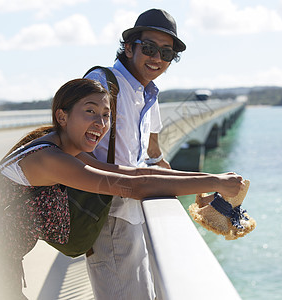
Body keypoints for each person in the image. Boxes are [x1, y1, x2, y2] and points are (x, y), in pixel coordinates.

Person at [0, 78, 244, 299]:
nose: (100, 122)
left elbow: (134, 172)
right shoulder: (51, 159)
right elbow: (134, 187)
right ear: (62, 116)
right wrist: (215, 183)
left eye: (106, 115)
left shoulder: (61, 148)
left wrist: (210, 177)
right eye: (90, 111)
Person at [83, 8, 188, 300]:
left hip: (134, 212)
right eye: (150, 48)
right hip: (109, 214)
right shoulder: (103, 83)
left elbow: (154, 156)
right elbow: (70, 146)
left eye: (166, 54)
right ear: (129, 47)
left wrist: (191, 190)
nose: (157, 58)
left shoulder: (147, 93)